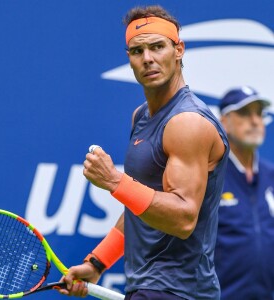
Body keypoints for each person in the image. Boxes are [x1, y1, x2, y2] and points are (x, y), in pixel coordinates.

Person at [60, 5, 229, 299]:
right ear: (129, 58)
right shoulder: (141, 116)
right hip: (150, 286)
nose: (148, 59)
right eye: (138, 51)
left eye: (157, 47)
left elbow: (183, 219)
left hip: (179, 291)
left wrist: (114, 181)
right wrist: (98, 262)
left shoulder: (186, 123)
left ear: (179, 50)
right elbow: (144, 204)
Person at [215, 86, 274, 299]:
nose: (255, 121)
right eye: (244, 113)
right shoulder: (210, 176)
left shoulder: (271, 175)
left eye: (259, 113)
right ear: (224, 121)